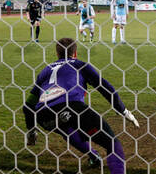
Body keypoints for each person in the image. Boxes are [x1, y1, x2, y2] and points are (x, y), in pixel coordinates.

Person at [23, 38, 140, 173]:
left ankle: (93, 156)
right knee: (112, 144)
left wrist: (31, 130)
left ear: (57, 54)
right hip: (71, 107)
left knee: (68, 129)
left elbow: (28, 106)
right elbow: (106, 88)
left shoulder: (45, 71)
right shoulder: (79, 65)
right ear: (75, 53)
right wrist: (124, 111)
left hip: (44, 116)